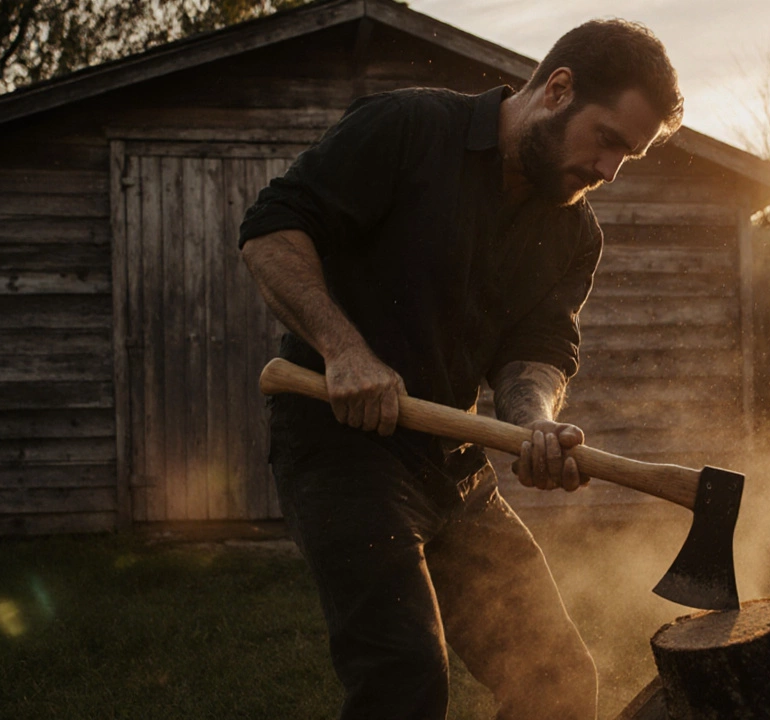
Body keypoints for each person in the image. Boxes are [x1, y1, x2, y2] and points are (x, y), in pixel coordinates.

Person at [238, 18, 682, 720]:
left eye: (629, 155)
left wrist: (534, 423)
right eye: (607, 139)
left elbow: (539, 349)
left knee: (558, 679)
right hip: (341, 448)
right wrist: (345, 351)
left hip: (453, 462)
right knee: (405, 677)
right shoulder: (408, 129)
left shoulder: (573, 231)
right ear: (558, 89)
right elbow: (272, 231)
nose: (609, 170)